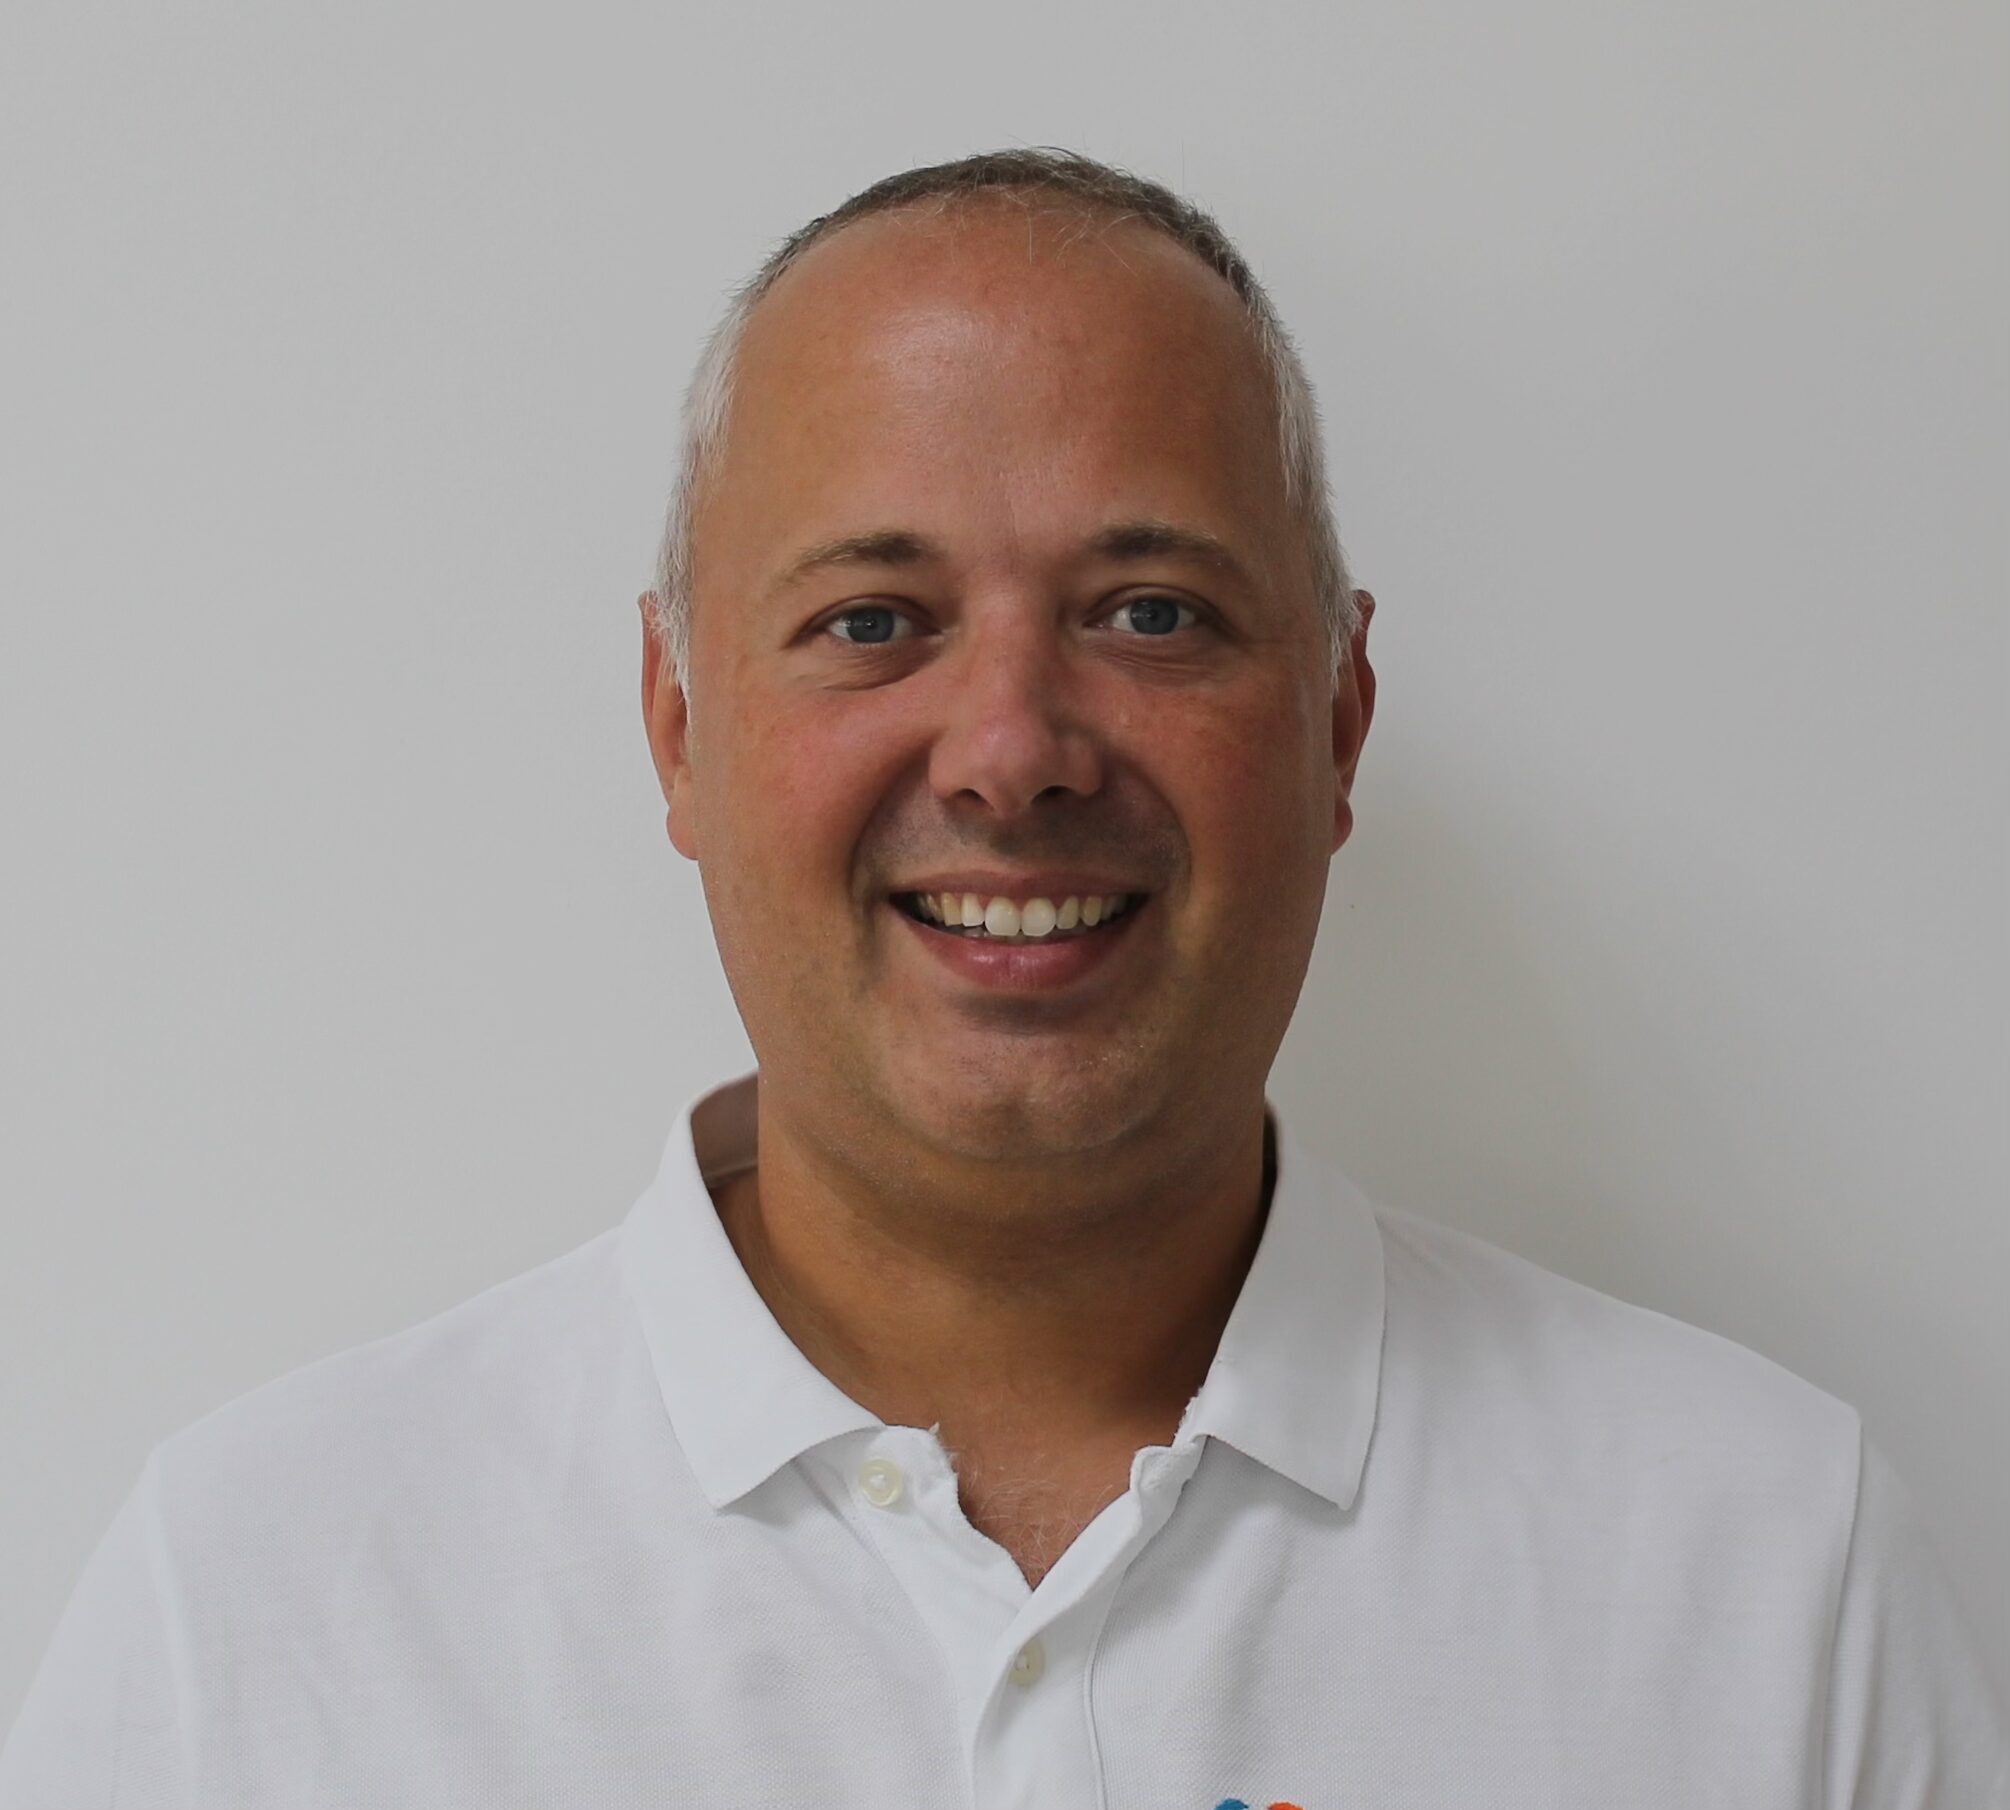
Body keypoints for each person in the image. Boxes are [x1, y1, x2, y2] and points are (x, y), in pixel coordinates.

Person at [3, 146, 2003, 1809]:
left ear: (1339, 716)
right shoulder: (257, 1605)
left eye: (1154, 611)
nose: (1011, 750)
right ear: (677, 724)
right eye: (874, 620)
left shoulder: (1770, 1570)